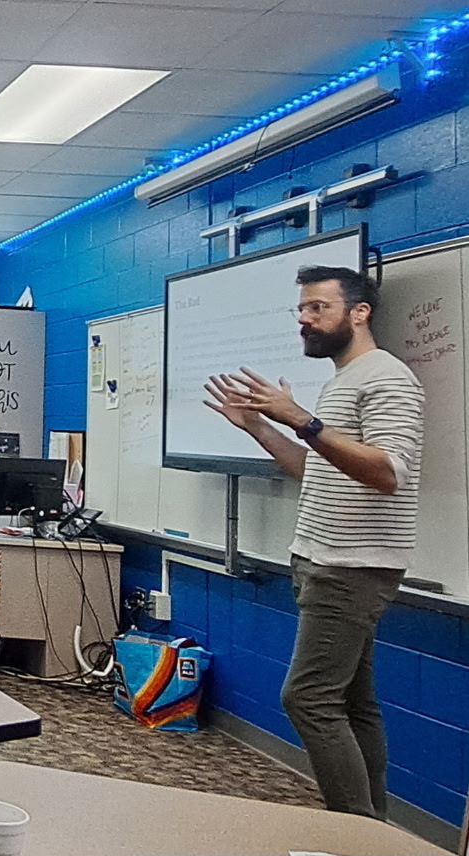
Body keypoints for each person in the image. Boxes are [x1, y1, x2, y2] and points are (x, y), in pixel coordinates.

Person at [203, 265, 422, 819]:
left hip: (354, 565)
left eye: (318, 308)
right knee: (352, 702)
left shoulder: (386, 378)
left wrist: (300, 417)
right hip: (325, 560)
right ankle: (376, 831)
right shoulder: (343, 379)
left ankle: (359, 832)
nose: (305, 319)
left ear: (359, 312)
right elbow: (319, 469)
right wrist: (260, 428)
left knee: (307, 699)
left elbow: (388, 472)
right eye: (301, 309)